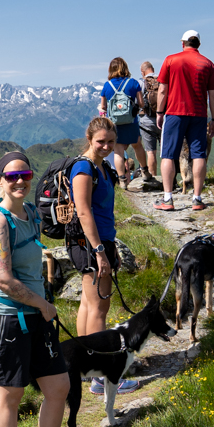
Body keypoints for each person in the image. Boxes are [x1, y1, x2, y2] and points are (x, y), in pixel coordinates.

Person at [0, 151, 82, 427]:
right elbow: (4, 279)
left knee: (58, 386)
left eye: (24, 174)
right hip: (8, 320)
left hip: (36, 316)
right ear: (0, 181)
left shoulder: (29, 215)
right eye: (12, 176)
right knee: (11, 393)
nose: (20, 181)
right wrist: (43, 303)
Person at [68, 118, 140, 395]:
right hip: (91, 244)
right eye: (101, 142)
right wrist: (100, 252)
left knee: (88, 305)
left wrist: (110, 248)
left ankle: (85, 368)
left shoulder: (101, 166)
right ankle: (101, 377)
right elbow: (84, 211)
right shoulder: (84, 168)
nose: (107, 146)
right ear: (89, 138)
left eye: (111, 142)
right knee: (99, 308)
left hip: (97, 242)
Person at [155, 29, 214, 212]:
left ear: (182, 43)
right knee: (199, 155)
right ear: (198, 44)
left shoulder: (170, 60)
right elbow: (213, 95)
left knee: (168, 154)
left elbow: (162, 90)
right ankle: (197, 199)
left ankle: (168, 199)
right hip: (198, 114)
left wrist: (160, 112)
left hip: (174, 112)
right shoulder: (208, 64)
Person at [98, 58, 146, 184]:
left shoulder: (107, 85)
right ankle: (145, 172)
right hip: (131, 121)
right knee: (138, 146)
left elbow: (103, 107)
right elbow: (141, 103)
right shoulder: (133, 83)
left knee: (118, 151)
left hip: (115, 124)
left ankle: (122, 180)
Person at [136, 61, 163, 192]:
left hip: (146, 122)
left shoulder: (141, 83)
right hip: (163, 121)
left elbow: (138, 102)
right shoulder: (163, 79)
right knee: (166, 153)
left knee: (151, 152)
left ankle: (153, 181)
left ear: (143, 71)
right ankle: (169, 180)